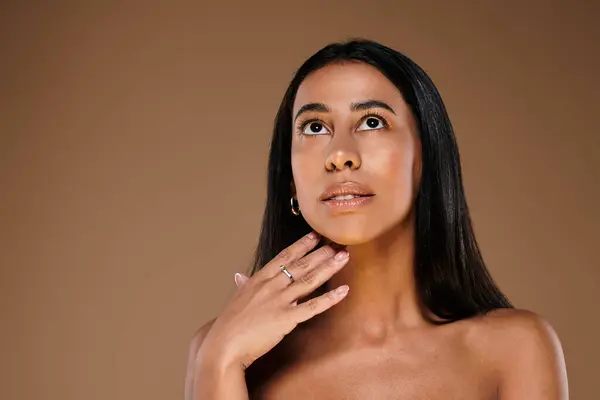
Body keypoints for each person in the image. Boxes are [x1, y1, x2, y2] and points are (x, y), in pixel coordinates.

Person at [184, 38, 568, 399]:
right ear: (290, 182)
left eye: (372, 121)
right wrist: (222, 363)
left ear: (424, 161)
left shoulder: (514, 348)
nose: (339, 155)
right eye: (315, 127)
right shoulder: (221, 347)